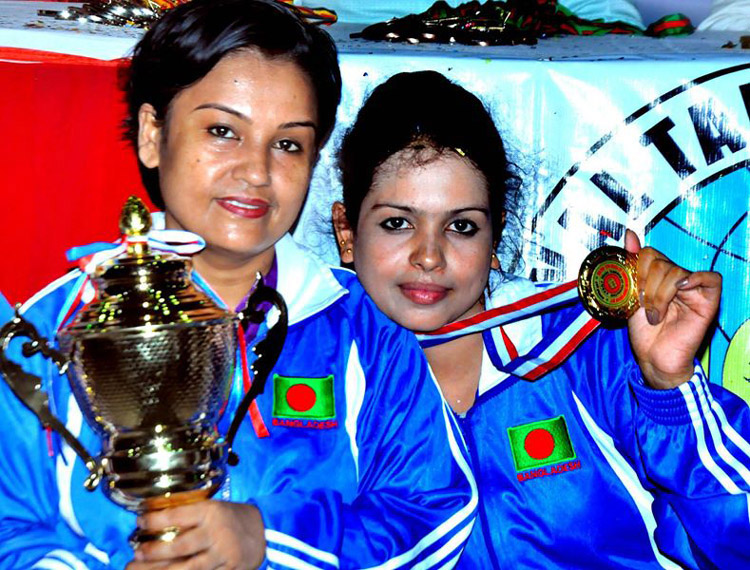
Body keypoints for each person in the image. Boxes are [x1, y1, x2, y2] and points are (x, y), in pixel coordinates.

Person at [0, 5, 476, 569]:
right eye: (223, 131)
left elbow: (434, 514)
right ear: (153, 134)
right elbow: (10, 527)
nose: (256, 171)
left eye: (288, 144)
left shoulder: (362, 331)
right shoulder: (54, 329)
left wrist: (267, 539)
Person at [332, 70, 750, 568]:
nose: (429, 256)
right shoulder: (306, 374)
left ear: (495, 239)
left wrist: (670, 388)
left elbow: (734, 542)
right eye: (397, 223)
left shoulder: (585, 350)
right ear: (347, 232)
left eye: (462, 226)